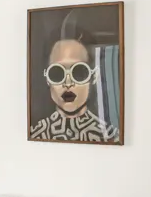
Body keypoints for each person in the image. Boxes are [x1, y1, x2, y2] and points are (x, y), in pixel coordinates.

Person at [29, 9, 119, 142]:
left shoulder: (110, 137)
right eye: (57, 73)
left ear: (94, 76)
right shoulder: (36, 133)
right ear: (47, 78)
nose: (68, 83)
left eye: (79, 72)